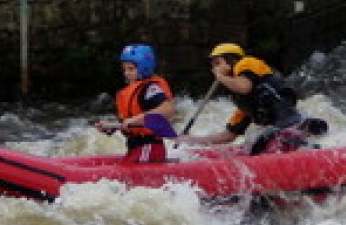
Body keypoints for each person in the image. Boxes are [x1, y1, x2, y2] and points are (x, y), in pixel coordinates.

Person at [177, 42, 326, 155]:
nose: (214, 69)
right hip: (277, 130)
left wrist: (221, 76)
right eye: (213, 66)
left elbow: (244, 87)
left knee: (265, 140)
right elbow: (229, 135)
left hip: (290, 123)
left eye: (217, 63)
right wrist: (193, 140)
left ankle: (306, 137)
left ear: (231, 59)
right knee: (258, 145)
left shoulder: (246, 63)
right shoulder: (246, 103)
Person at [96, 43, 176, 163]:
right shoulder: (132, 91)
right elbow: (128, 122)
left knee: (123, 173)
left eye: (131, 69)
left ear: (144, 68)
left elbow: (167, 109)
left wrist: (136, 119)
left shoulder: (150, 88)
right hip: (136, 148)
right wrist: (112, 126)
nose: (126, 73)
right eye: (125, 69)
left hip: (149, 148)